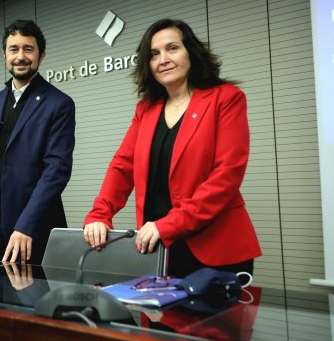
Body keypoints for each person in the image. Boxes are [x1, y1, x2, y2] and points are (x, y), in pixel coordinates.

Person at [83, 18, 261, 278]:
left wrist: (169, 225)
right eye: (154, 54)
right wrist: (100, 214)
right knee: (158, 320)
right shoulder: (146, 109)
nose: (163, 59)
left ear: (191, 52)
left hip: (215, 252)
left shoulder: (226, 98)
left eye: (172, 48)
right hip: (158, 249)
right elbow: (123, 167)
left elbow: (226, 176)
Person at [0, 19, 76, 264]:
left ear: (42, 55)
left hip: (32, 226)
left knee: (29, 299)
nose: (21, 56)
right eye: (14, 49)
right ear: (4, 54)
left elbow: (56, 170)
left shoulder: (59, 103)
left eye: (28, 49)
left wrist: (27, 224)